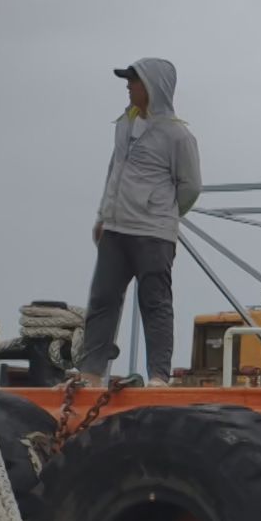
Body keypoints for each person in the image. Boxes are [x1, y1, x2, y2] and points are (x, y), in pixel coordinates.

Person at [77, 58, 201, 386]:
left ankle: (159, 376)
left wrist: (164, 215)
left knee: (155, 303)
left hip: (153, 234)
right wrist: (104, 215)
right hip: (116, 230)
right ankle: (90, 373)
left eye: (134, 80)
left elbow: (190, 186)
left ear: (153, 87)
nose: (128, 86)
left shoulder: (178, 136)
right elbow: (113, 170)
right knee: (103, 299)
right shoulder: (124, 125)